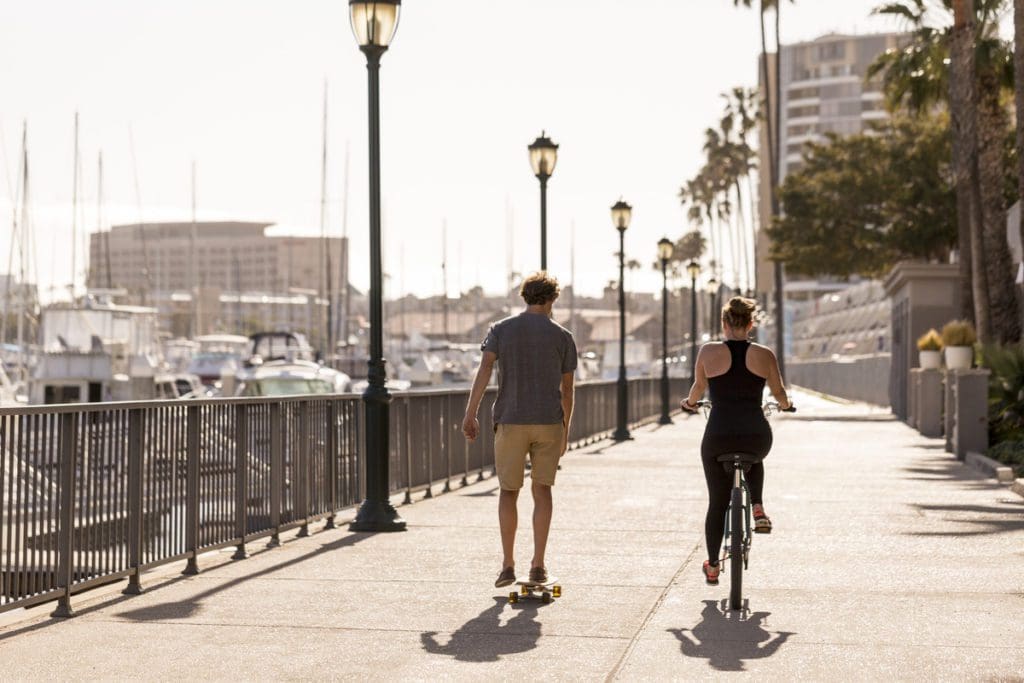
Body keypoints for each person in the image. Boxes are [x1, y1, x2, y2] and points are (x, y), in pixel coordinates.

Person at [462, 272, 577, 588]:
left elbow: (485, 369)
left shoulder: (501, 330)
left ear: (525, 297)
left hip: (510, 421)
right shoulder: (563, 337)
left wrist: (470, 414)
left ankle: (508, 565)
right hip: (549, 423)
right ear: (552, 299)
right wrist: (565, 431)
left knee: (508, 492)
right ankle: (538, 566)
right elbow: (567, 390)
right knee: (542, 491)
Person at [681, 296, 791, 586]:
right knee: (755, 457)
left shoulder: (708, 352)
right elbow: (779, 392)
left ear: (724, 323)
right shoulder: (764, 354)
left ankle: (714, 566)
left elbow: (698, 388)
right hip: (756, 433)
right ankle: (757, 506)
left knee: (717, 502)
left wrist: (690, 403)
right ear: (751, 323)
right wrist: (787, 404)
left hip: (718, 434)